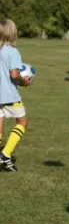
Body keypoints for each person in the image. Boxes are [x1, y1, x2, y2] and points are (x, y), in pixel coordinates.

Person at [0, 18, 32, 172]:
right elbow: (14, 74)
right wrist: (24, 82)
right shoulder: (12, 52)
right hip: (9, 96)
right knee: (23, 122)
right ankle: (5, 154)